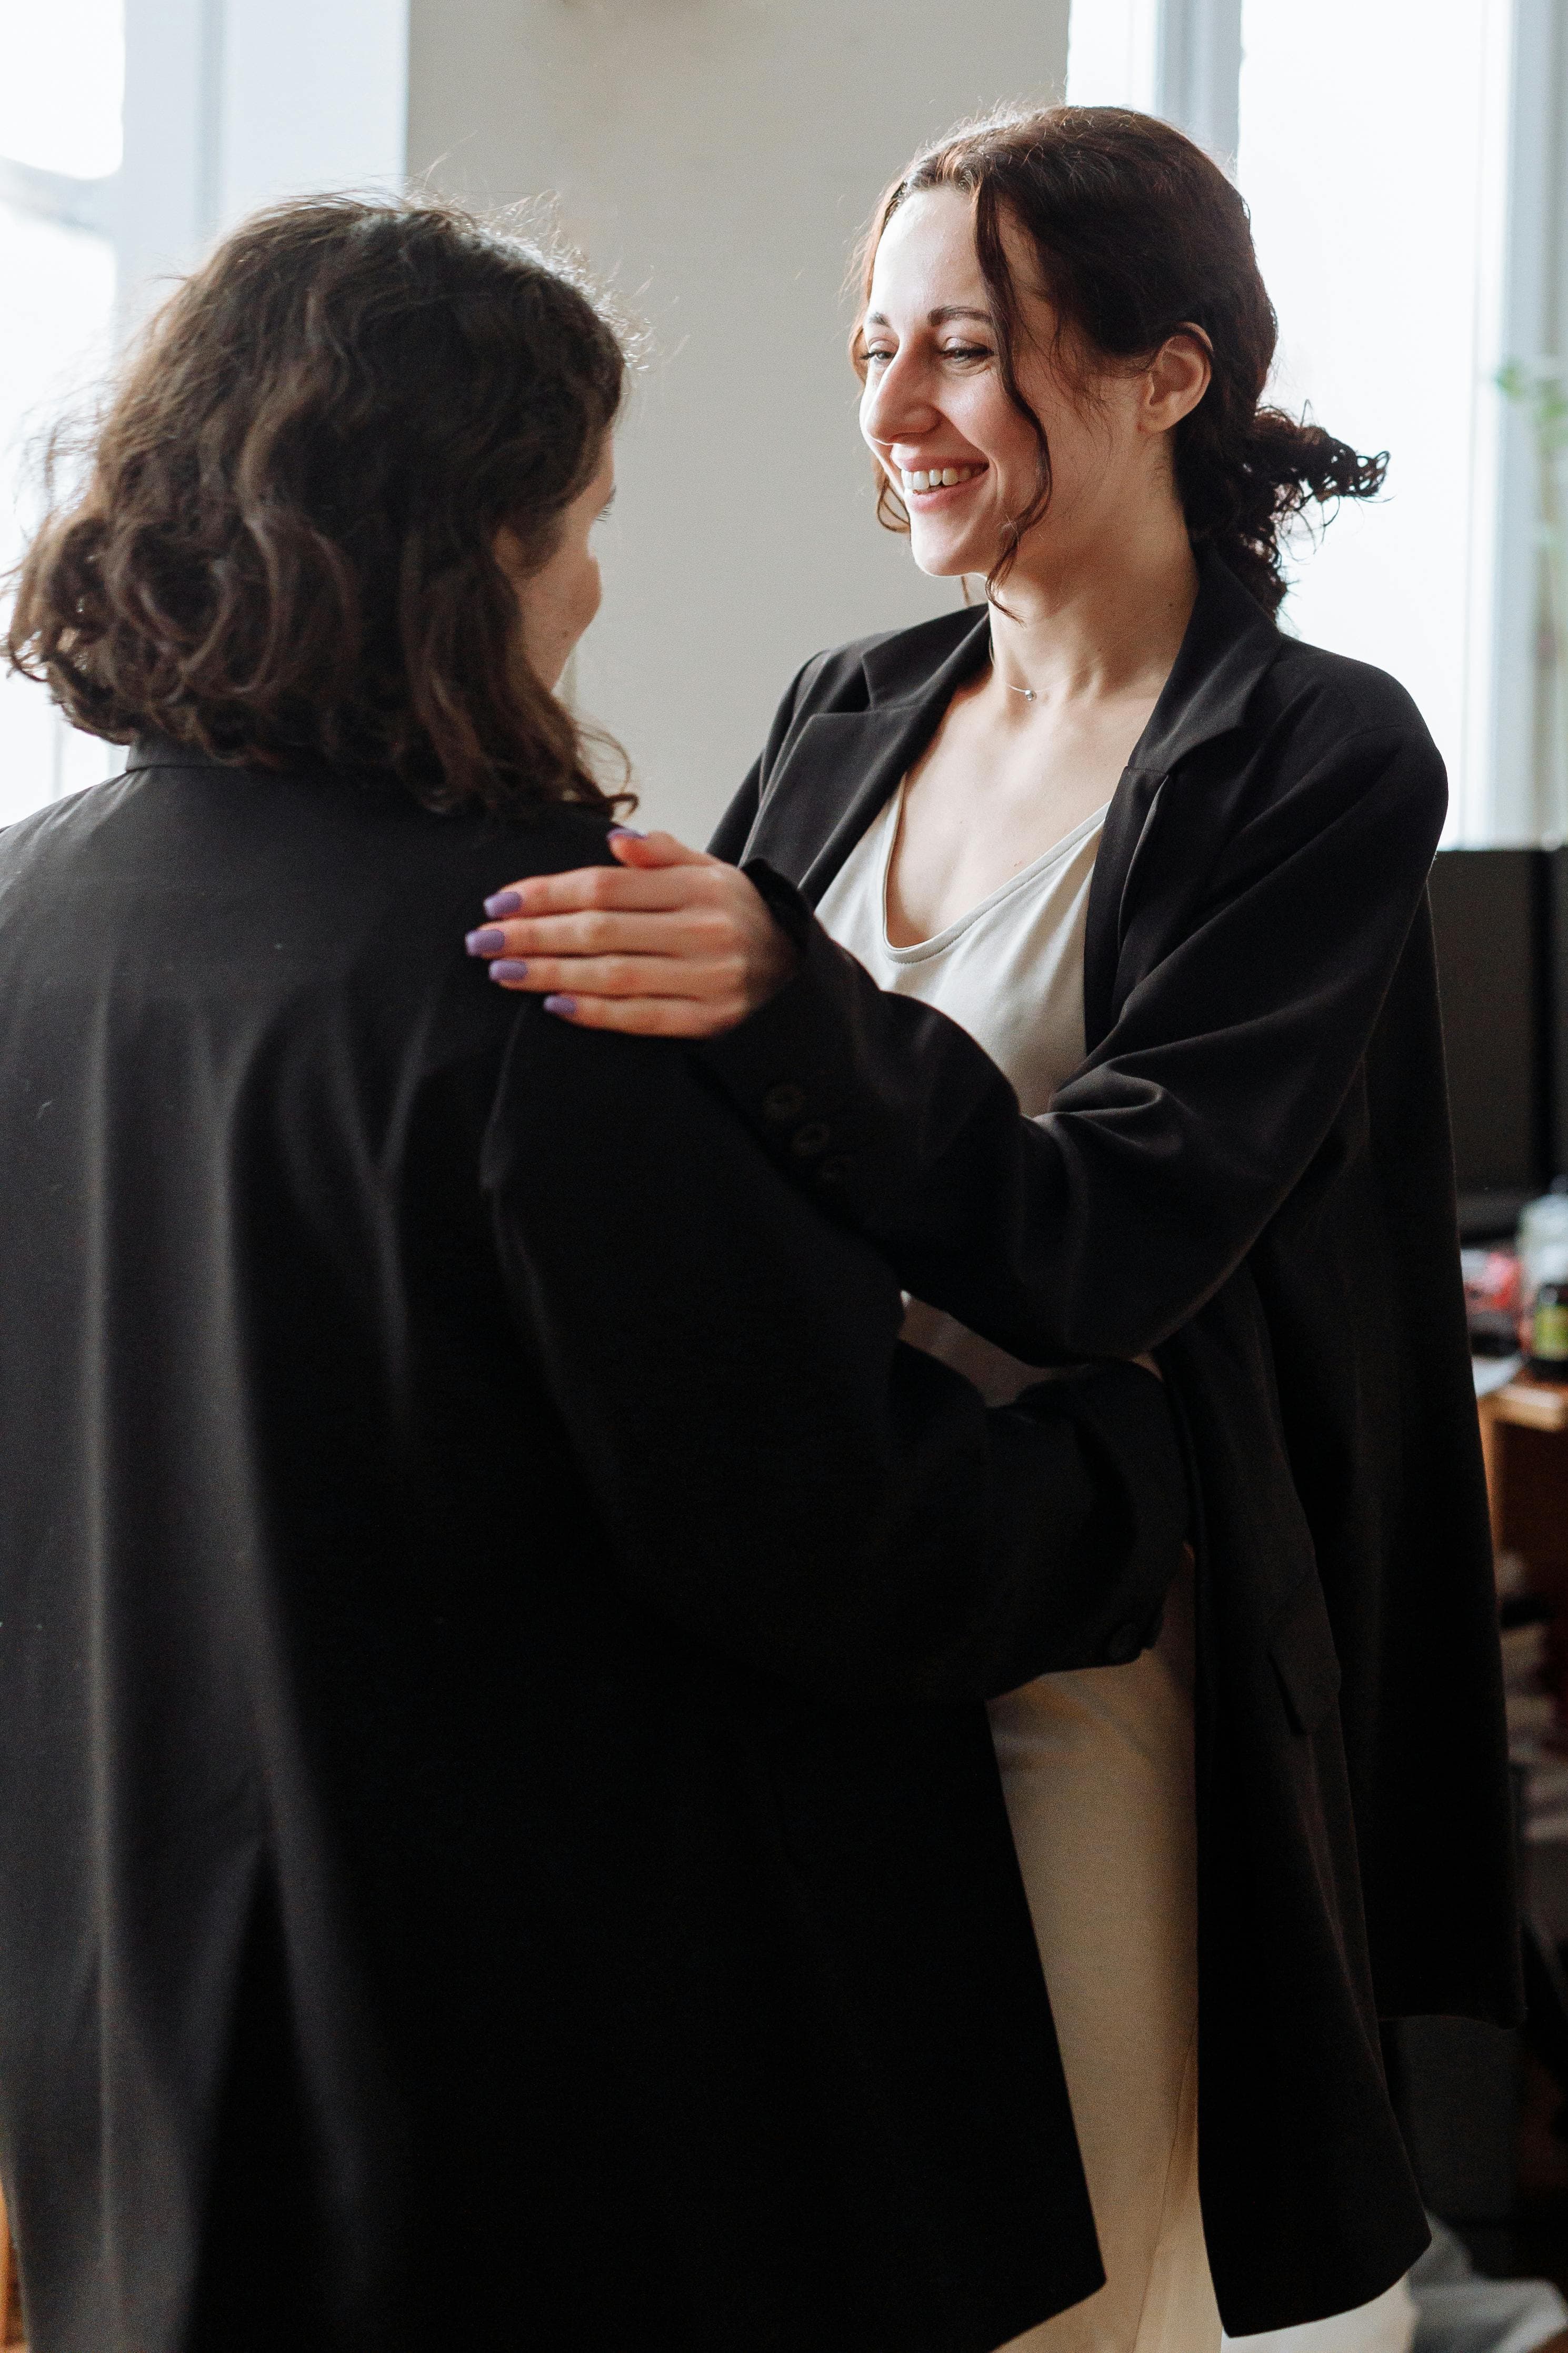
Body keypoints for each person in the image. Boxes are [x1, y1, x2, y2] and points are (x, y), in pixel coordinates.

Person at [0, 194, 1193, 2353]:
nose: (592, 580)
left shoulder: (39, 914)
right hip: (536, 2099)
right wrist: (1133, 1465)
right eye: (575, 519)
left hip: (146, 2045)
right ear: (457, 547)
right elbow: (830, 1527)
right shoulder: (543, 954)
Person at [464, 107, 1520, 2350]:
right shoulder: (851, 705)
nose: (891, 410)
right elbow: (711, 1152)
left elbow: (1107, 1237)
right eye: (874, 346)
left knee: (1071, 2288)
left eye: (966, 346)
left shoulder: (1315, 758)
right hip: (811, 1589)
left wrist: (780, 988)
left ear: (1170, 370)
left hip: (1091, 1637)